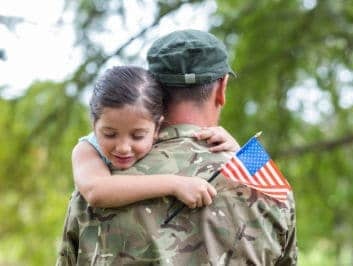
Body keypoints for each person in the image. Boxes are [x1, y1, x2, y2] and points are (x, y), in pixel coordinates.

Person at [57, 29, 297, 265]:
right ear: (222, 89)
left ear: (154, 91)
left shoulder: (102, 180)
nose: (123, 147)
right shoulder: (269, 186)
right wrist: (237, 155)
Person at [71, 66, 239, 210]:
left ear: (158, 127)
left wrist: (237, 150)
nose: (123, 147)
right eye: (110, 134)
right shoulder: (87, 149)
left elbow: (262, 187)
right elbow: (96, 191)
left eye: (137, 136)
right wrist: (175, 184)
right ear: (94, 125)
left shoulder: (171, 137)